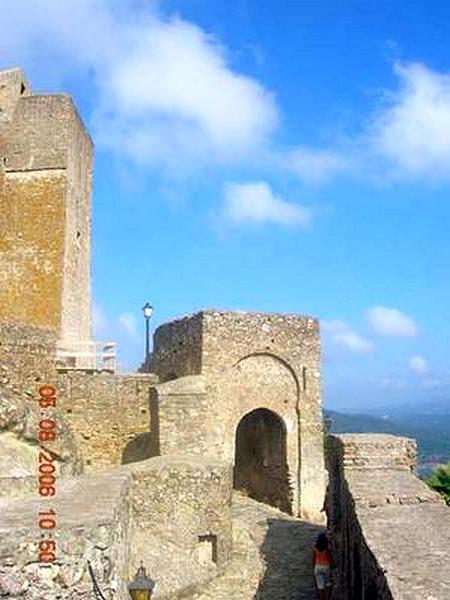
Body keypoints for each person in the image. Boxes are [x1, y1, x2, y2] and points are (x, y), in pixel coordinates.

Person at [312, 532, 332, 600]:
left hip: (317, 566)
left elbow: (314, 558)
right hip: (326, 566)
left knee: (320, 586)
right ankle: (328, 598)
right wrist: (333, 564)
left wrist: (313, 566)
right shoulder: (326, 549)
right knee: (328, 584)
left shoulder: (315, 548)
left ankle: (322, 598)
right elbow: (329, 558)